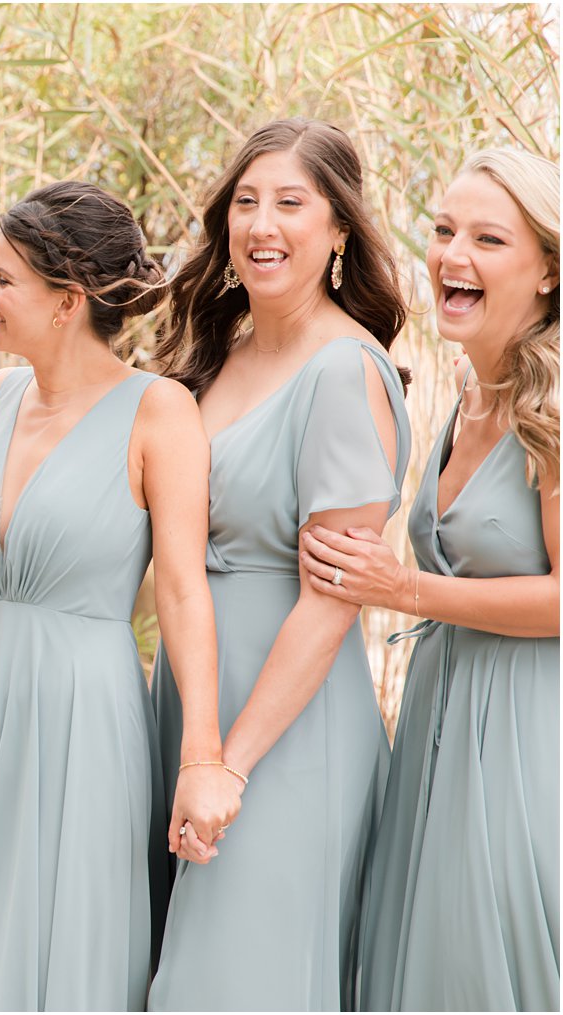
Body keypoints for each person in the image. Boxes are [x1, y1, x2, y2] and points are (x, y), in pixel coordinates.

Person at [0, 181, 232, 1012]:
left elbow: (182, 592)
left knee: (66, 944)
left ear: (66, 300)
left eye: (3, 279)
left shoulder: (159, 412)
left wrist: (202, 760)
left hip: (81, 713)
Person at [148, 117, 412, 1010]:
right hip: (189, 707)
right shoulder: (217, 352)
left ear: (339, 229)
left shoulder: (342, 371)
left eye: (291, 203)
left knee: (231, 984)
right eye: (246, 202)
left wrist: (232, 763)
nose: (263, 224)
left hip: (280, 733)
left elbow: (334, 599)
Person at [301, 148, 559, 1011]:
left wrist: (402, 589)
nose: (453, 255)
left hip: (528, 731)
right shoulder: (468, 391)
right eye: (445, 231)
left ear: (550, 269)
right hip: (438, 712)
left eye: (489, 238)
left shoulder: (553, 410)